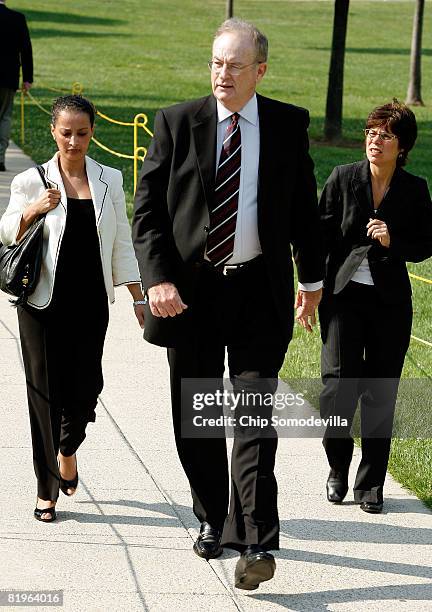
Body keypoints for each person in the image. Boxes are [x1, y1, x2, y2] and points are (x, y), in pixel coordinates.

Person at [132, 18, 322, 589]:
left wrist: (310, 280)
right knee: (198, 420)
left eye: (235, 65)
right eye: (217, 62)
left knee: (254, 419)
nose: (223, 74)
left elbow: (303, 212)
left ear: (259, 71)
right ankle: (214, 516)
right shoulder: (176, 122)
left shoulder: (288, 125)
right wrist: (157, 280)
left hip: (258, 294)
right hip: (189, 296)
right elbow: (148, 213)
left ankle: (258, 542)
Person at [0, 95, 145, 522]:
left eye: (82, 133)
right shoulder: (32, 179)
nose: (74, 141)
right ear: (53, 132)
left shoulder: (109, 179)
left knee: (85, 391)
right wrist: (32, 210)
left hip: (90, 303)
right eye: (66, 133)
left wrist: (138, 296)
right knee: (44, 395)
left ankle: (68, 449)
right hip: (41, 305)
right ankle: (46, 490)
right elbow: (5, 230)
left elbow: (121, 241)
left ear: (92, 132)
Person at [319, 99, 432, 514]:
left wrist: (392, 240)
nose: (375, 141)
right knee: (337, 390)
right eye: (371, 133)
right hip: (342, 300)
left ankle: (371, 485)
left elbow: (425, 244)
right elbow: (319, 237)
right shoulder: (342, 178)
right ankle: (337, 467)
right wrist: (308, 288)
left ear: (401, 146)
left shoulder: (415, 189)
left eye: (385, 135)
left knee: (381, 393)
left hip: (390, 304)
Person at [0, 0, 33, 171]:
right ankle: (0, 157)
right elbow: (26, 50)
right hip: (8, 77)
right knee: (4, 117)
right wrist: (28, 78)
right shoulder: (17, 18)